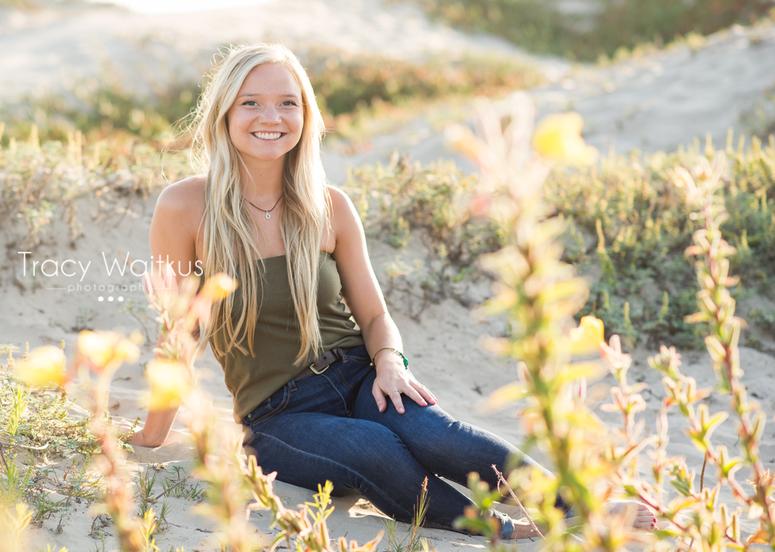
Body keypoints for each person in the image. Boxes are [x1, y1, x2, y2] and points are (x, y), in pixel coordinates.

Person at [129, 43, 656, 539]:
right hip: (278, 416)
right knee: (375, 448)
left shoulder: (328, 206)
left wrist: (390, 363)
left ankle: (579, 507)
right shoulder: (186, 206)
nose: (272, 118)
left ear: (305, 117)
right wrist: (151, 438)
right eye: (251, 103)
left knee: (438, 436)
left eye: (288, 103)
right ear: (224, 113)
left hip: (360, 376)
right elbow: (180, 332)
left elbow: (376, 316)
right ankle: (499, 529)